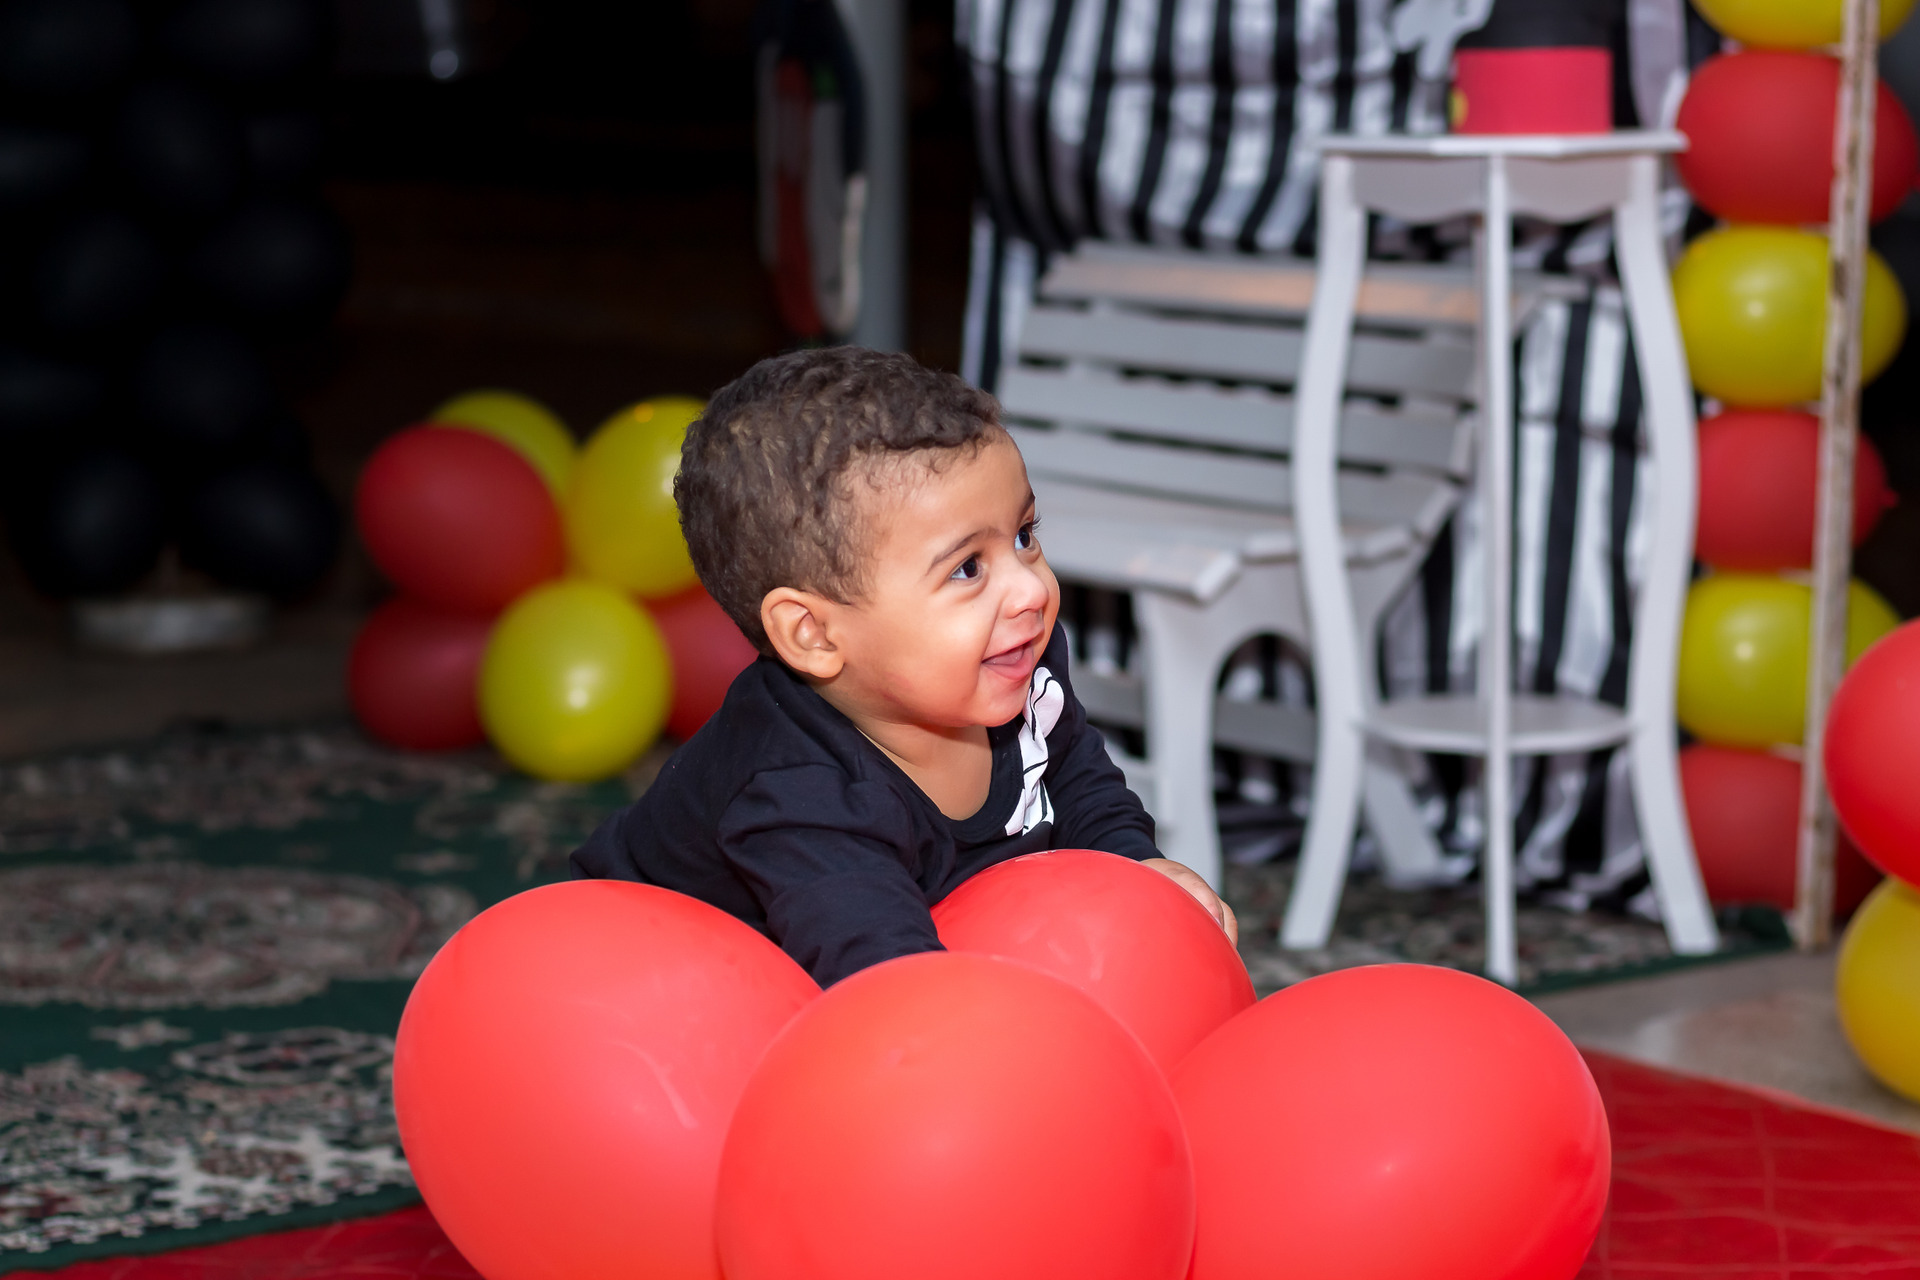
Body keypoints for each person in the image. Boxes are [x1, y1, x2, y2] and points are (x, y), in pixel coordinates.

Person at [571, 346, 1236, 986]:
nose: (1032, 591)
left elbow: (1075, 773)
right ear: (813, 634)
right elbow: (892, 991)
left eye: (1025, 536)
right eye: (968, 568)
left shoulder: (1010, 661)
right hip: (632, 984)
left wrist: (1135, 860)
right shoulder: (801, 795)